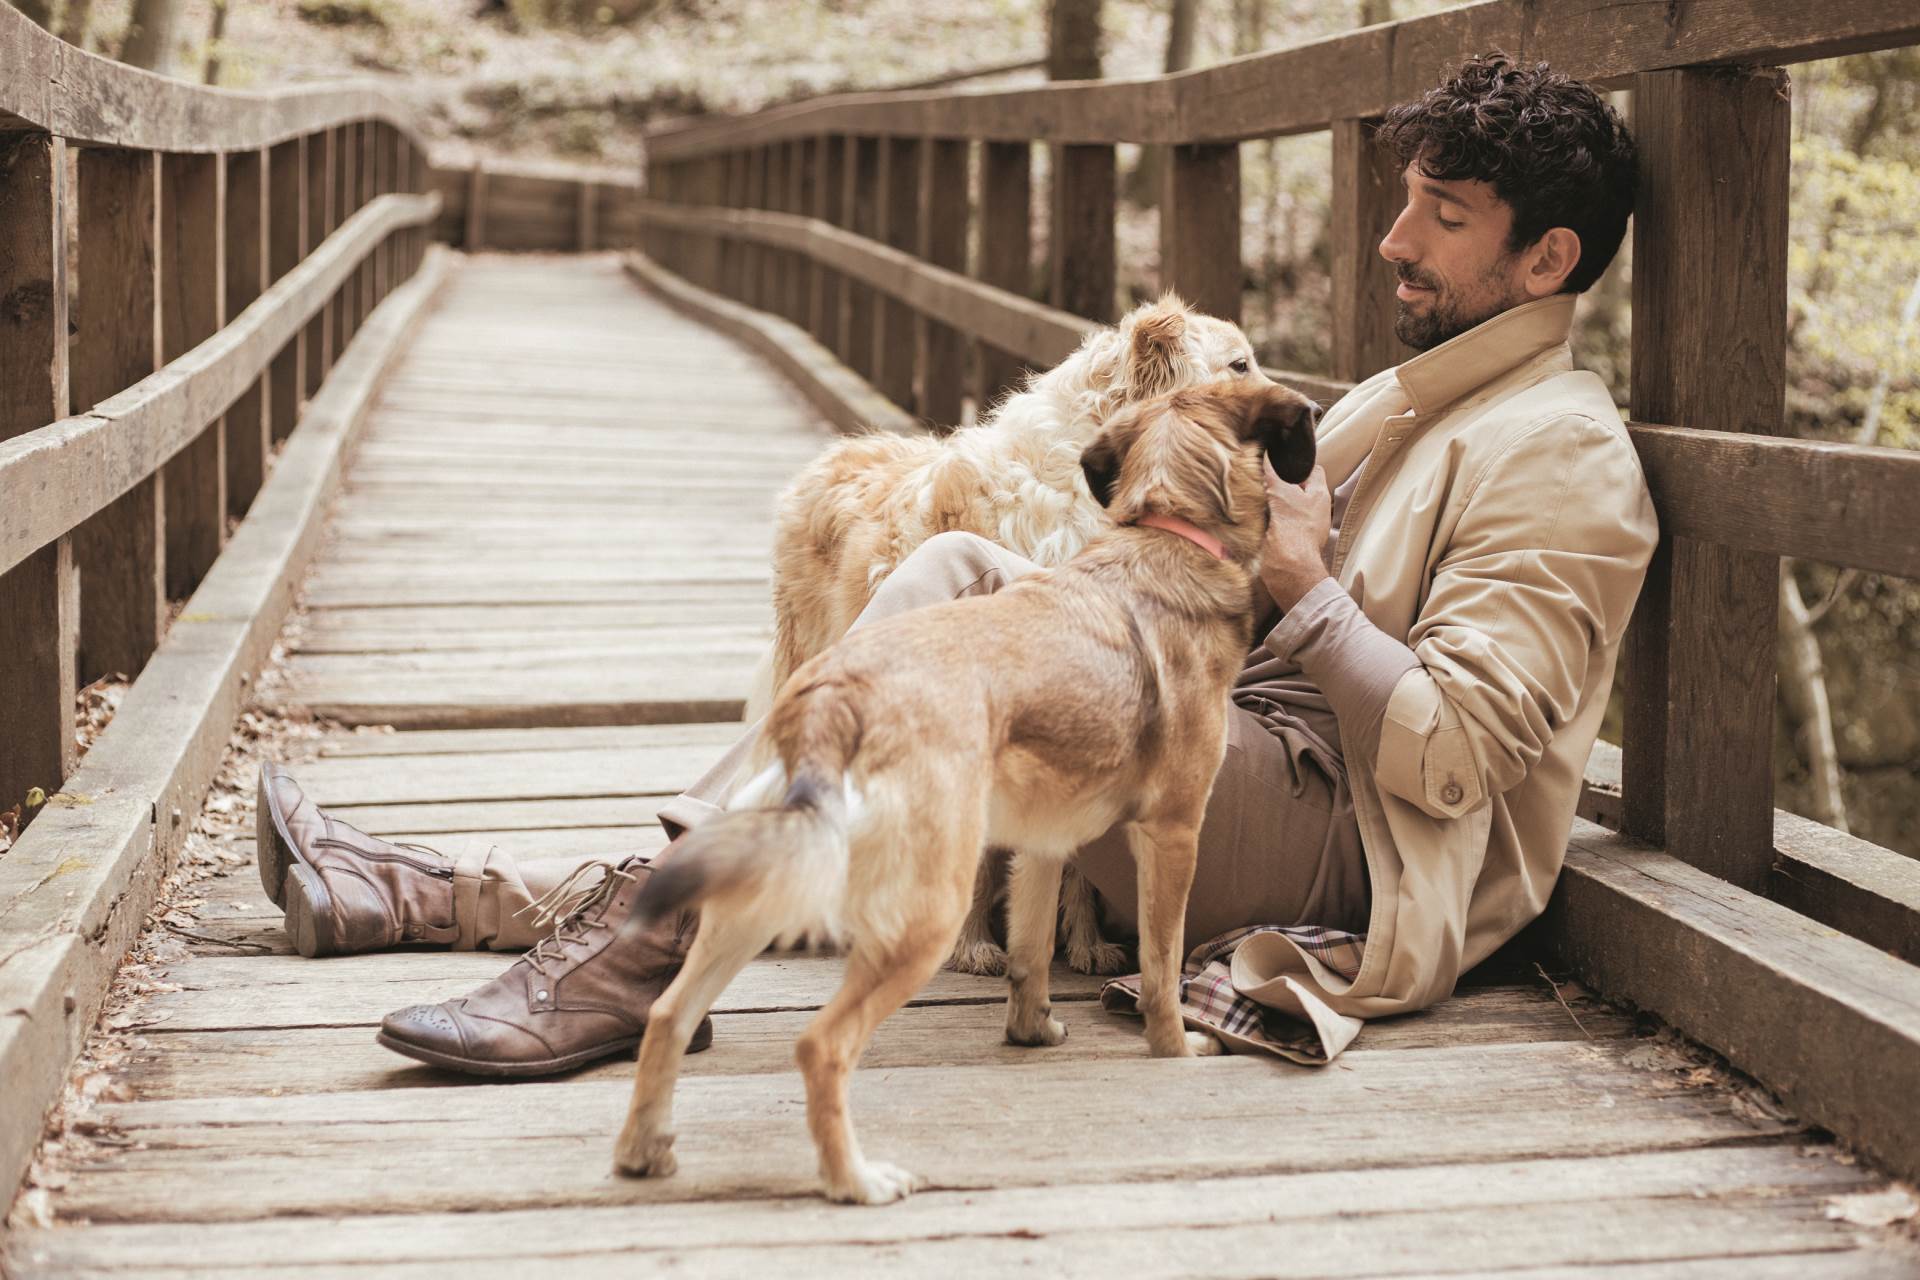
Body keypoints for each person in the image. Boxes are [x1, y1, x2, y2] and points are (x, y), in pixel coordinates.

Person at [257, 52, 1656, 1076]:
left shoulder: (1562, 455)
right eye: (1404, 201)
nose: (1393, 241)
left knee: (940, 632)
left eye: (1444, 218)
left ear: (1548, 259)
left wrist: (1302, 583)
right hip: (1213, 741)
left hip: (1340, 838)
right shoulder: (1405, 401)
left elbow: (1456, 764)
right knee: (932, 664)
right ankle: (447, 897)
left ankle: (598, 958)